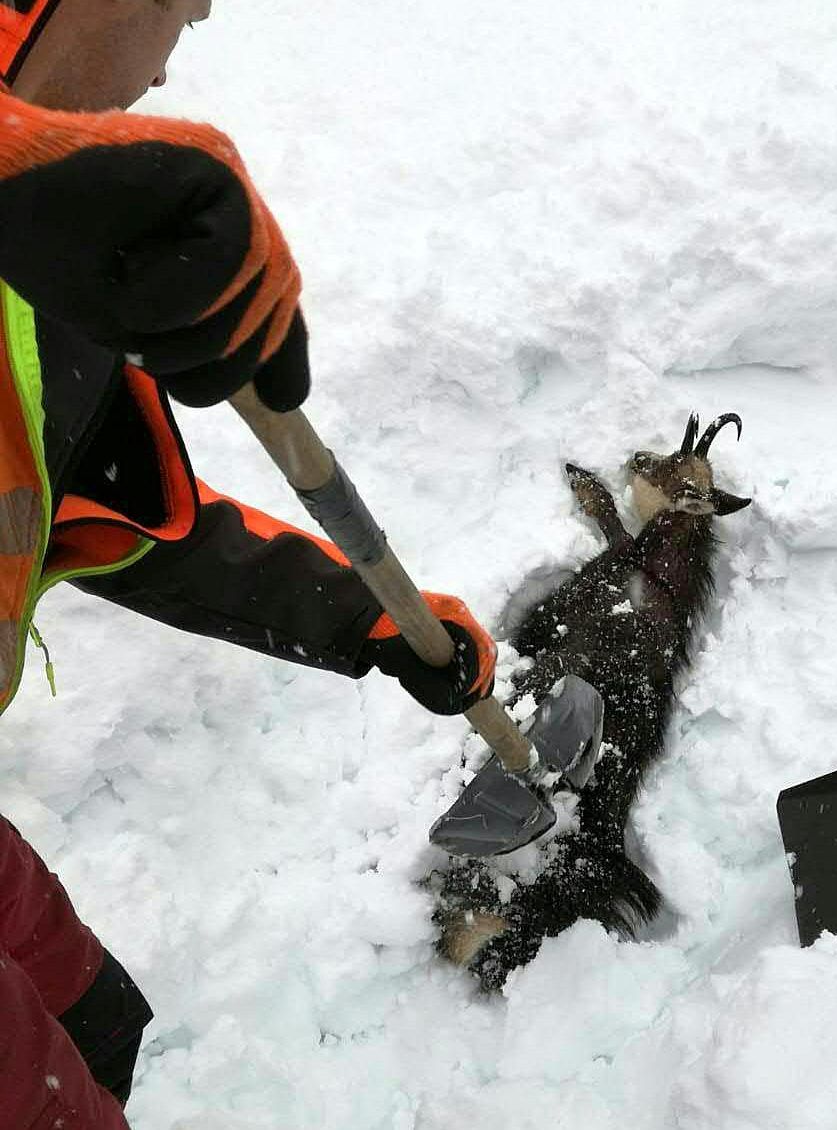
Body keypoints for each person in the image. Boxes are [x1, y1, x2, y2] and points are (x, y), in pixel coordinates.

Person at [0, 2, 498, 1126]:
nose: (202, 15)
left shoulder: (51, 261)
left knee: (96, 1023)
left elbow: (128, 519)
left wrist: (361, 621)